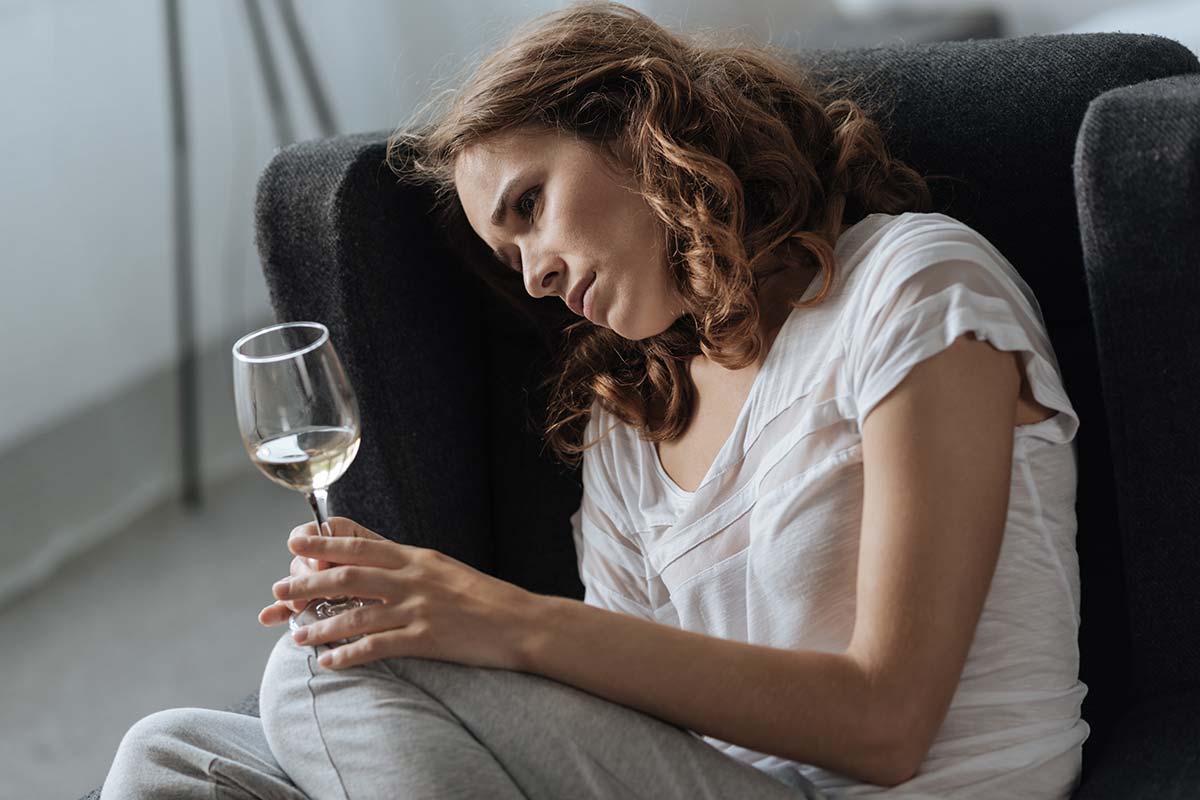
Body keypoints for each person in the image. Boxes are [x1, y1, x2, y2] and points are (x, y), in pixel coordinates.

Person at [99, 2, 1089, 798]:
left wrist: (507, 619)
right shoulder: (632, 426)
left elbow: (888, 721)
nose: (531, 277)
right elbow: (632, 728)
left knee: (321, 671)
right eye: (509, 253)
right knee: (171, 755)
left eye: (530, 205)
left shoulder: (912, 287)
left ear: (638, 125)